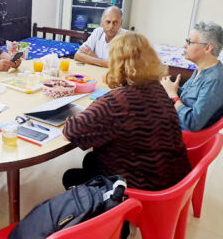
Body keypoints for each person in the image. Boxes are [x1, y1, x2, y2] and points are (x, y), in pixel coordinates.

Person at [62, 32, 191, 191]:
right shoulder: (159, 89)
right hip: (174, 182)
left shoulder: (115, 102)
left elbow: (71, 132)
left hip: (141, 189)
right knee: (91, 159)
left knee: (70, 176)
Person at [161, 21, 223, 131]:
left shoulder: (215, 80)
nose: (185, 46)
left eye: (190, 42)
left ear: (208, 48)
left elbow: (192, 123)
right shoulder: (201, 69)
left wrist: (172, 94)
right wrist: (169, 88)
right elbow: (188, 98)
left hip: (182, 136)